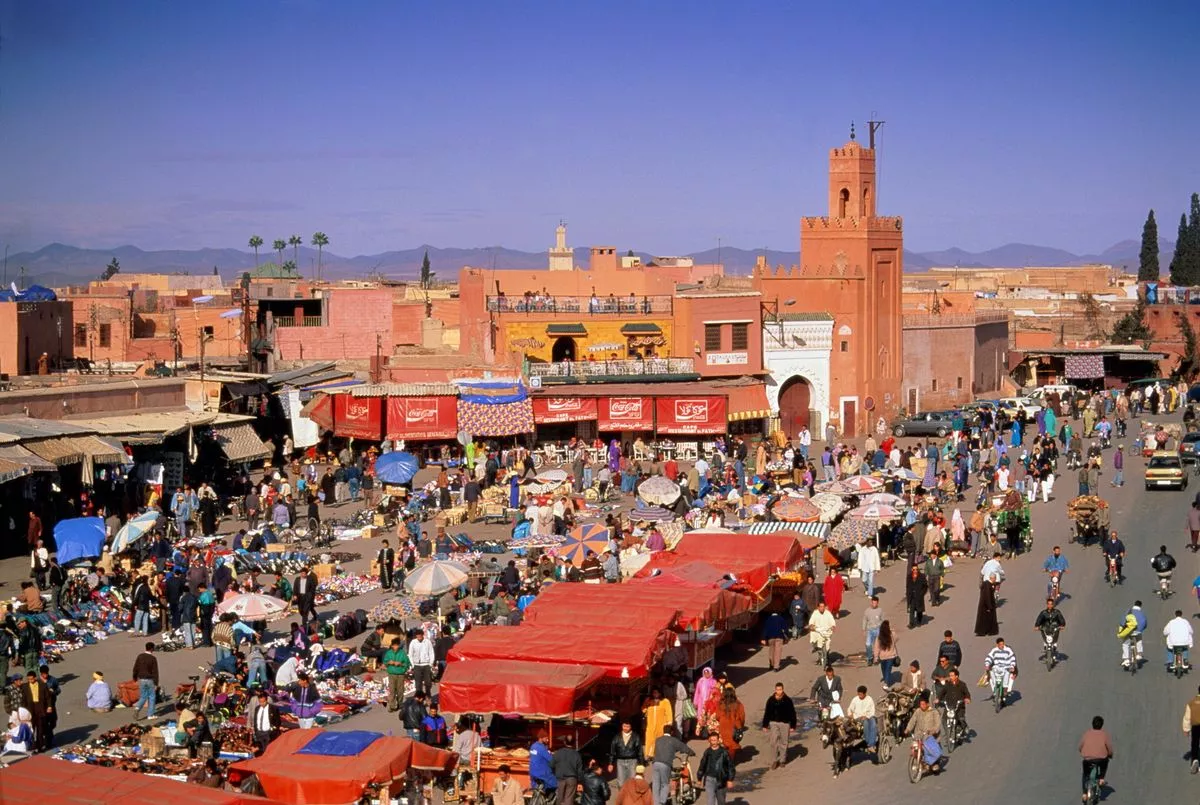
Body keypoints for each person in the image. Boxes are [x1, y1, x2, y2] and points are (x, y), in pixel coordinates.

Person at [650, 725, 694, 804]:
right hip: (665, 764)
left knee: (656, 784)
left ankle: (656, 803)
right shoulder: (673, 740)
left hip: (655, 763)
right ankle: (662, 801)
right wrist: (692, 753)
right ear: (672, 732)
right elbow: (684, 748)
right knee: (665, 784)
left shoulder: (658, 740)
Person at [761, 682, 796, 770]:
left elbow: (792, 713)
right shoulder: (771, 700)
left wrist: (793, 725)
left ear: (783, 690)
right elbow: (767, 713)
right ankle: (774, 760)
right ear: (775, 690)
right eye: (777, 690)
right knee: (774, 741)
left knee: (784, 742)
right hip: (774, 723)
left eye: (780, 689)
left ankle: (782, 760)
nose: (779, 691)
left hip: (785, 723)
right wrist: (765, 725)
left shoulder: (788, 700)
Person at [904, 693, 943, 770]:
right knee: (914, 747)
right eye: (920, 704)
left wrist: (933, 731)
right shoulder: (918, 711)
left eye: (923, 704)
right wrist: (908, 729)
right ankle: (917, 761)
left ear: (927, 704)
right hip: (919, 734)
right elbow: (912, 721)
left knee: (931, 750)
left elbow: (938, 724)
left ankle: (934, 763)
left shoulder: (934, 712)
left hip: (931, 736)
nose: (922, 706)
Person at [1079, 715, 1113, 801]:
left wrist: (1083, 751)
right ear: (1102, 725)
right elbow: (1109, 748)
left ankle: (1084, 794)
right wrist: (1110, 754)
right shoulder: (1104, 734)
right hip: (1101, 759)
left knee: (1085, 775)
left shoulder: (1087, 733)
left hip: (1087, 759)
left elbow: (1080, 746)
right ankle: (1101, 778)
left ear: (1092, 724)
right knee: (1105, 763)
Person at [696, 731, 735, 805]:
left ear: (718, 740)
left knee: (721, 801)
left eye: (715, 740)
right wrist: (699, 778)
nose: (713, 742)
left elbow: (730, 766)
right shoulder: (707, 752)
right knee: (710, 799)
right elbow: (702, 765)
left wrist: (730, 779)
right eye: (712, 740)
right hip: (709, 779)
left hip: (721, 779)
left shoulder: (724, 752)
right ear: (709, 741)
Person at [19, 670, 51, 752]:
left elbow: (48, 697)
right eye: (29, 679)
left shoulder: (42, 685)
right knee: (31, 729)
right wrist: (23, 711)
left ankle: (40, 747)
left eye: (32, 679)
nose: (30, 681)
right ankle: (33, 747)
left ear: (35, 678)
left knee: (40, 729)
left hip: (40, 708)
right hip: (30, 709)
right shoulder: (25, 687)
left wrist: (49, 706)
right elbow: (23, 700)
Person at [609, 719, 644, 789]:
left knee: (632, 782)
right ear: (622, 726)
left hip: (632, 761)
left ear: (631, 727)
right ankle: (622, 798)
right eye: (624, 726)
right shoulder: (617, 737)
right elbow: (612, 751)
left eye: (627, 726)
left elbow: (640, 751)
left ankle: (631, 798)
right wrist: (610, 763)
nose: (625, 728)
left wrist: (641, 764)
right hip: (620, 761)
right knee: (621, 783)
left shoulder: (636, 737)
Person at [551, 734, 584, 805]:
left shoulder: (558, 753)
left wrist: (556, 773)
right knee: (569, 800)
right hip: (572, 779)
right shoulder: (577, 754)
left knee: (560, 800)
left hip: (560, 779)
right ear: (574, 743)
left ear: (564, 742)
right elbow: (579, 770)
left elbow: (551, 765)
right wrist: (580, 782)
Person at [641, 687, 673, 760]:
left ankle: (658, 755)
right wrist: (646, 703)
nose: (655, 694)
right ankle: (649, 755)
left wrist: (669, 722)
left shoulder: (665, 701)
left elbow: (669, 712)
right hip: (651, 724)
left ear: (660, 693)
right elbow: (643, 710)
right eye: (654, 692)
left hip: (661, 724)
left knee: (659, 740)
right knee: (649, 739)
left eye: (657, 692)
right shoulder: (649, 701)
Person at [938, 668, 971, 735]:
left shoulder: (962, 685)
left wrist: (967, 698)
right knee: (944, 720)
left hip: (959, 707)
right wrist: (938, 698)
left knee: (961, 718)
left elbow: (967, 693)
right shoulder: (947, 685)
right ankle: (947, 732)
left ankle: (964, 727)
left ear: (956, 676)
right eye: (950, 676)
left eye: (952, 675)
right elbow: (942, 693)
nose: (950, 677)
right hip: (949, 706)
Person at [984, 637, 1017, 703]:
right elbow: (989, 657)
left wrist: (1012, 666)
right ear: (997, 645)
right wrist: (987, 664)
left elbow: (1012, 658)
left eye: (1003, 644)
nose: (1002, 646)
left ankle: (1005, 692)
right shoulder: (994, 650)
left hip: (1006, 667)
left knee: (1006, 680)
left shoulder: (1008, 650)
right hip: (997, 667)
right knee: (991, 674)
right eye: (1000, 644)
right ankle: (995, 691)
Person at [846, 684, 878, 753]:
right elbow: (849, 709)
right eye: (858, 694)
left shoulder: (869, 699)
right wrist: (850, 714)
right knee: (866, 723)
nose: (859, 695)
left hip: (868, 716)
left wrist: (867, 716)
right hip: (858, 718)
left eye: (861, 694)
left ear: (865, 694)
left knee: (873, 724)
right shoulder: (855, 699)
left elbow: (872, 711)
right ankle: (869, 743)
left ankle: (871, 745)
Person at [131, 642, 159, 720]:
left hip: (141, 679)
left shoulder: (140, 656)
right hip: (150, 680)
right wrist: (156, 683)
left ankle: (137, 708)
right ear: (152, 649)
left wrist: (135, 678)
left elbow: (135, 667)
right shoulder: (153, 658)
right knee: (152, 697)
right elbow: (155, 672)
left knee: (143, 696)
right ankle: (150, 715)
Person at [382, 638, 412, 711]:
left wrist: (400, 664)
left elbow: (407, 664)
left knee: (400, 690)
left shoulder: (402, 653)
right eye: (394, 645)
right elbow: (385, 662)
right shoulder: (388, 653)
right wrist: (389, 662)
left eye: (397, 645)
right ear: (392, 646)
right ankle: (392, 706)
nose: (395, 647)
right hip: (392, 674)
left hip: (400, 674)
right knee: (392, 690)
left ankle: (400, 704)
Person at [1117, 601, 1147, 668]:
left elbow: (1122, 621)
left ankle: (1126, 659)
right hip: (1138, 631)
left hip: (1129, 631)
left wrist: (1122, 629)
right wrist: (1141, 630)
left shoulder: (1129, 611)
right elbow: (1145, 623)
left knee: (1125, 643)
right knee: (1139, 640)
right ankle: (1139, 654)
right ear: (1140, 606)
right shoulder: (1142, 613)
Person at [249, 689, 280, 753]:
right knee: (259, 751)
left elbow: (277, 721)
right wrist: (256, 730)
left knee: (267, 750)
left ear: (266, 700)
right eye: (260, 702)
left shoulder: (273, 708)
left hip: (268, 733)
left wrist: (273, 731)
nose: (262, 704)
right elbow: (255, 719)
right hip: (259, 733)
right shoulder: (257, 708)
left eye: (263, 702)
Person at [529, 730, 558, 797]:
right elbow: (551, 759)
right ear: (541, 738)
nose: (547, 740)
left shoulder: (533, 746)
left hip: (532, 773)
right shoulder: (542, 748)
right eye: (546, 738)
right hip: (542, 773)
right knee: (556, 783)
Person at [408, 628, 436, 698]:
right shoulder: (413, 642)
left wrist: (430, 663)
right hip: (417, 665)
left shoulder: (427, 642)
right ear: (416, 636)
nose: (419, 637)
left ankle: (428, 696)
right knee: (418, 683)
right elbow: (410, 654)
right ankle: (419, 697)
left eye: (420, 635)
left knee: (428, 682)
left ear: (422, 635)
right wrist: (413, 665)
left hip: (426, 664)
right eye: (417, 635)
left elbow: (431, 653)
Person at [1181, 686, 1200, 773]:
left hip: (1196, 726)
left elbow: (1187, 717)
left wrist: (1186, 729)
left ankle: (1194, 760)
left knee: (1195, 743)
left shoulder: (1191, 703)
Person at [862, 595, 884, 666]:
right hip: (870, 630)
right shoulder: (867, 611)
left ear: (878, 603)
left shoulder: (880, 610)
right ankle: (870, 658)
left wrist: (883, 628)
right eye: (873, 603)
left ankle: (876, 658)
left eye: (875, 603)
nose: (874, 604)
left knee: (877, 645)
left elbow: (882, 619)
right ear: (871, 602)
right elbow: (864, 619)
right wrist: (863, 629)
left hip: (878, 629)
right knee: (868, 644)